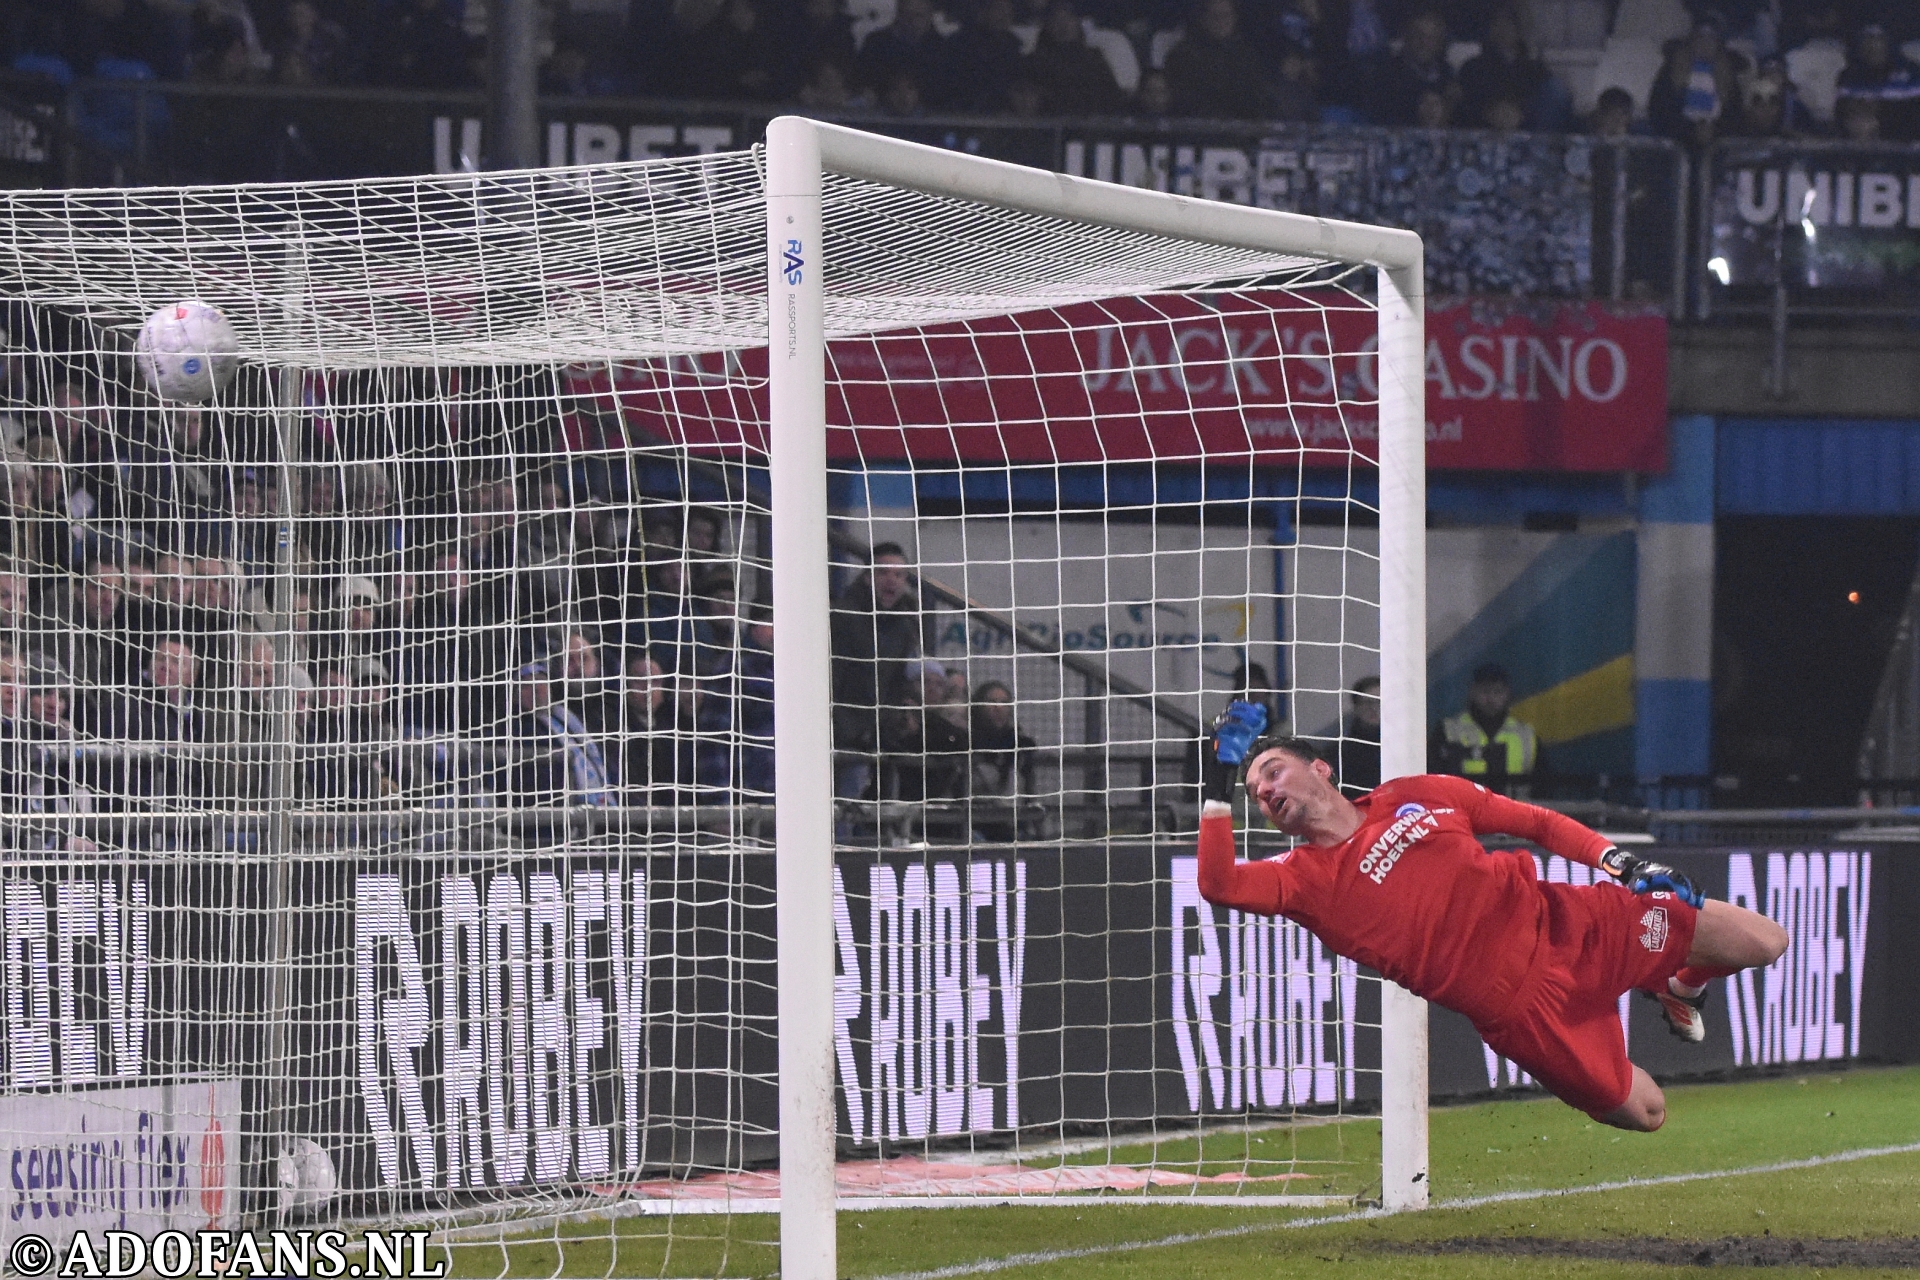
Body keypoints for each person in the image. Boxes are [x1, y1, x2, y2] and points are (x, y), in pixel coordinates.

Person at [1195, 710, 1789, 1131]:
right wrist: (1217, 782)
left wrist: (1623, 866)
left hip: (1571, 922)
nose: (1264, 791)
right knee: (1648, 1114)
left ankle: (1680, 982)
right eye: (1253, 791)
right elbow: (1217, 884)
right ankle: (1668, 983)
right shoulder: (1298, 880)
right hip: (1527, 1012)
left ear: (1321, 769)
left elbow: (1536, 822)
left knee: (1767, 941)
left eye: (1271, 771)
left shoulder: (1415, 793)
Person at [829, 543, 925, 801]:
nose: (891, 580)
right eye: (883, 572)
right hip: (840, 738)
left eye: (899, 575)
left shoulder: (904, 626)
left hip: (874, 739)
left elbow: (897, 680)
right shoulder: (843, 616)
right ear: (867, 576)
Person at [1432, 662, 1540, 796]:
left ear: (1507, 694)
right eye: (1485, 691)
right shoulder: (1449, 731)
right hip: (1465, 814)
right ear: (1472, 692)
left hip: (1513, 814)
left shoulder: (1526, 735)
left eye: (1498, 692)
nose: (1491, 699)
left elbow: (1543, 786)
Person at [1336, 673, 1380, 794]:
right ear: (1356, 707)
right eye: (1367, 702)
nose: (1373, 708)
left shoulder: (1403, 747)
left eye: (1378, 702)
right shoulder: (1340, 752)